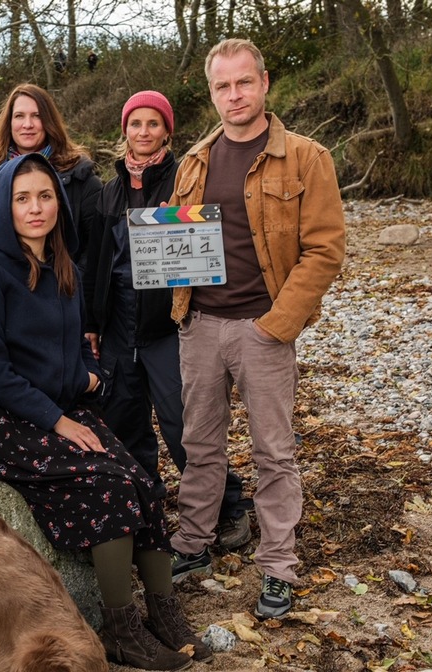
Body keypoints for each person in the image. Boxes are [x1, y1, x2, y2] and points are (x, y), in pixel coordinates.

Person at [0, 153, 210, 671]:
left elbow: (82, 338)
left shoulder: (63, 262)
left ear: (60, 203)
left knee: (140, 477)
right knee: (105, 487)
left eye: (45, 196)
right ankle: (119, 628)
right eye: (22, 198)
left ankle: (163, 611)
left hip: (58, 405)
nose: (36, 207)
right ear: (3, 206)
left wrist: (90, 370)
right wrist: (60, 421)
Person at [166, 38, 346, 620]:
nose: (234, 95)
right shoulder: (194, 159)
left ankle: (277, 566)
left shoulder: (306, 157)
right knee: (200, 445)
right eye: (223, 86)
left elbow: (325, 250)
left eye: (244, 83)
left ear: (265, 83)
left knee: (274, 451)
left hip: (262, 328)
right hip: (199, 325)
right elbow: (172, 241)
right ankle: (193, 543)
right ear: (211, 92)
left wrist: (278, 324)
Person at [83, 90, 252, 547]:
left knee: (186, 428)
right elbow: (97, 264)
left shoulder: (185, 180)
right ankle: (144, 510)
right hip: (119, 331)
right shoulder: (108, 192)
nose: (143, 132)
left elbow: (209, 249)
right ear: (124, 132)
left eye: (153, 124)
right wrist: (92, 323)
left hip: (169, 329)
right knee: (126, 426)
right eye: (135, 124)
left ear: (167, 131)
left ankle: (230, 506)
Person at [0, 83, 101, 263]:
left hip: (62, 285)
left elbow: (95, 247)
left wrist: (71, 286)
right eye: (19, 116)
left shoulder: (80, 174)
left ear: (48, 121)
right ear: (9, 123)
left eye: (36, 116)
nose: (27, 124)